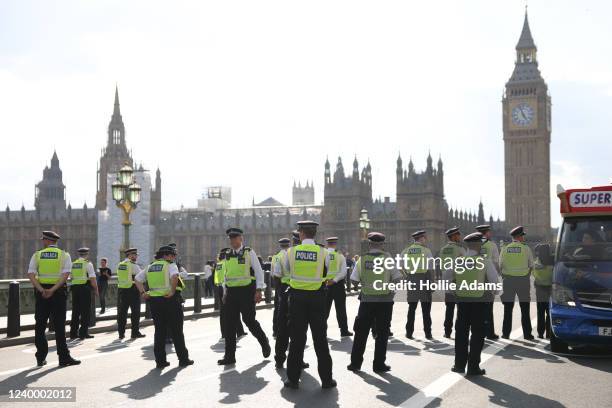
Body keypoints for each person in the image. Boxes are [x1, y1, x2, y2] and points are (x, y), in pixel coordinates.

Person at [282, 220, 336, 390]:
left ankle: (292, 379)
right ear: (315, 233)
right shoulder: (323, 252)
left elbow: (285, 271)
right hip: (317, 298)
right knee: (320, 339)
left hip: (297, 299)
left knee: (297, 340)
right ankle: (327, 380)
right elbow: (331, 274)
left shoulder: (291, 252)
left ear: (301, 233)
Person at [348, 232, 401, 373]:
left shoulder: (363, 259)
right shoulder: (388, 258)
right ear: (382, 244)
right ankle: (379, 365)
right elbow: (397, 279)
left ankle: (355, 364)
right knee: (382, 334)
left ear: (369, 244)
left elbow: (353, 280)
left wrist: (364, 283)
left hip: (366, 301)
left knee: (361, 333)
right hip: (384, 302)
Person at [217, 228, 271, 365]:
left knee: (249, 321)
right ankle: (229, 356)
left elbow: (259, 271)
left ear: (241, 238)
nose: (233, 241)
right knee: (229, 325)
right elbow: (225, 276)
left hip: (246, 292)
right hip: (231, 293)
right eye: (231, 238)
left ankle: (264, 342)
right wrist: (224, 293)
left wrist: (259, 290)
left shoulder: (249, 252)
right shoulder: (227, 255)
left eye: (235, 238)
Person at [27, 231, 80, 367]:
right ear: (55, 241)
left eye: (43, 240)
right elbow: (65, 275)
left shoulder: (37, 254)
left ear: (46, 240)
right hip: (57, 292)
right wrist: (53, 290)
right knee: (59, 326)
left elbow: (31, 274)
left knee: (40, 325)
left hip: (41, 292)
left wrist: (42, 290)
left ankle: (40, 357)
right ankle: (63, 357)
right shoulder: (64, 255)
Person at [134, 245, 193, 369]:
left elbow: (137, 279)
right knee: (177, 331)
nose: (174, 257)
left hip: (155, 302)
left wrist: (143, 293)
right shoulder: (170, 265)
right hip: (170, 300)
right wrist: (172, 291)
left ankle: (160, 361)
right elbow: (175, 277)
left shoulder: (149, 267)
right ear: (165, 255)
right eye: (172, 255)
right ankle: (183, 359)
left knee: (159, 331)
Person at [451, 232, 498, 376]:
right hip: (479, 303)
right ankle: (473, 367)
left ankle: (459, 365)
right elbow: (495, 283)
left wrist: (455, 292)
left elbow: (448, 280)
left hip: (462, 303)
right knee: (477, 335)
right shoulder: (485, 261)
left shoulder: (457, 262)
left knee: (461, 334)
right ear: (478, 245)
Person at [500, 226, 534, 340]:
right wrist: (526, 275)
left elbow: (500, 265)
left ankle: (505, 333)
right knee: (525, 308)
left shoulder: (505, 248)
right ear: (519, 237)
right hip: (523, 281)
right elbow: (531, 265)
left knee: (508, 309)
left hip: (508, 281)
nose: (523, 238)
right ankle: (527, 334)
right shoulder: (526, 248)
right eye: (522, 236)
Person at [401, 230, 434, 339]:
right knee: (426, 310)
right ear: (421, 238)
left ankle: (409, 332)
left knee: (412, 309)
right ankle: (428, 333)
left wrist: (407, 276)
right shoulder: (426, 251)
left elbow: (400, 266)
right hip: (424, 281)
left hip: (412, 281)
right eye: (425, 238)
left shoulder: (406, 251)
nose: (426, 240)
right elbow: (430, 269)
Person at [214, 248, 248, 340]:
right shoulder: (227, 262)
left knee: (223, 312)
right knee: (234, 310)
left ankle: (224, 333)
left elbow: (216, 278)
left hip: (219, 288)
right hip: (227, 288)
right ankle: (239, 331)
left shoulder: (219, 264)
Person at [439, 227, 466, 338]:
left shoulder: (443, 250)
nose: (460, 236)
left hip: (447, 283)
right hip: (459, 283)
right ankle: (459, 331)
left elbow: (441, 267)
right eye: (458, 235)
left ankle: (447, 332)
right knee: (461, 310)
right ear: (454, 236)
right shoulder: (460, 249)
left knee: (449, 309)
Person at [475, 224, 501, 340]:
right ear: (487, 233)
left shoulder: (473, 245)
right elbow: (496, 264)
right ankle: (489, 333)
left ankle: (478, 331)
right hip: (488, 279)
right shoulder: (492, 245)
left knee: (477, 308)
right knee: (488, 308)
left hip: (475, 278)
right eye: (489, 232)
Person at [324, 237, 352, 337]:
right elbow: (344, 272)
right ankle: (344, 331)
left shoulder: (323, 255)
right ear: (335, 244)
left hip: (325, 285)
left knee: (324, 310)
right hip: (338, 285)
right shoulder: (340, 256)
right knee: (341, 309)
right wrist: (334, 280)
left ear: (327, 244)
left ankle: (322, 331)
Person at [69, 247, 98, 340]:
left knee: (75, 311)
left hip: (75, 289)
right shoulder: (87, 264)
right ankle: (83, 333)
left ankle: (73, 333)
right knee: (85, 312)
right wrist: (96, 290)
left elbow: (70, 277)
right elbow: (93, 278)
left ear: (79, 254)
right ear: (86, 254)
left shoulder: (73, 264)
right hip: (85, 289)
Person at [116, 248, 145, 339]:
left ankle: (121, 333)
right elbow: (141, 278)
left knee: (122, 313)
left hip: (121, 290)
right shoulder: (133, 266)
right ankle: (134, 332)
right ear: (130, 255)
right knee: (135, 313)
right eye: (135, 255)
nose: (136, 257)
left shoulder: (120, 265)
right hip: (132, 291)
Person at [534, 243, 553, 339]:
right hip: (550, 289)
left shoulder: (536, 262)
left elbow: (534, 274)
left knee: (540, 312)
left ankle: (540, 333)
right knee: (549, 312)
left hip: (540, 289)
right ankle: (549, 333)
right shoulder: (553, 262)